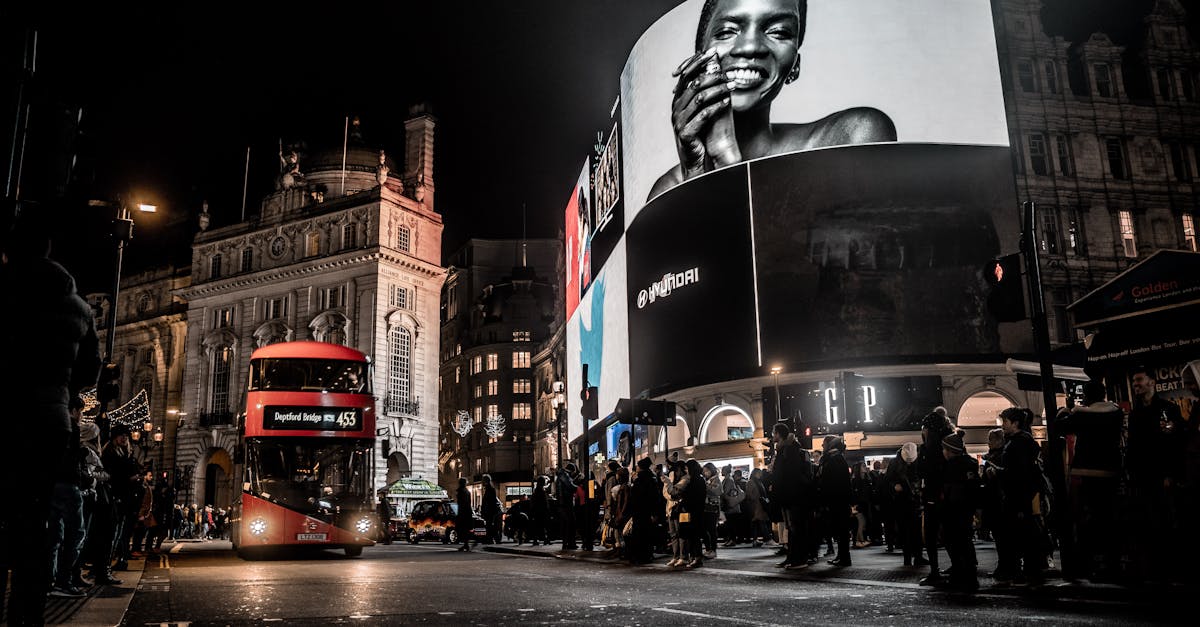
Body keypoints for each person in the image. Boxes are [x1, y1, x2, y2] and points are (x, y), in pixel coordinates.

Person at [650, 0, 896, 200]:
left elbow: (855, 256)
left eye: (778, 32)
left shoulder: (850, 137)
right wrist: (698, 173)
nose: (750, 46)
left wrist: (726, 164)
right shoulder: (669, 187)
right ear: (698, 59)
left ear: (795, 66)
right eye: (727, 32)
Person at [0, 209, 102, 623]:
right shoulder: (77, 306)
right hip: (50, 420)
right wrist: (67, 393)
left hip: (5, 411)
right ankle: (29, 614)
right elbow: (90, 369)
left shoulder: (6, 286)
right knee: (36, 520)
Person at [1052, 380, 1122, 581]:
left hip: (1088, 471)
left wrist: (1066, 410)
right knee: (1109, 517)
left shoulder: (1083, 415)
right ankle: (1112, 562)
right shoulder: (1115, 413)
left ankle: (1092, 563)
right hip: (1111, 469)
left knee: (1089, 519)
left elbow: (1059, 427)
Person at [1126, 365, 1185, 581]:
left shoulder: (1168, 409)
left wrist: (1171, 474)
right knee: (1147, 521)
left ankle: (1171, 565)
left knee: (1166, 520)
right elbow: (1133, 445)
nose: (1136, 385)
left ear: (1152, 382)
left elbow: (1176, 444)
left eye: (1139, 380)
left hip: (1162, 474)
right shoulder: (1135, 414)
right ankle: (1153, 568)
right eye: (1134, 381)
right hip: (1142, 475)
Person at [991, 407, 1046, 587]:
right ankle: (1030, 570)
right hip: (1022, 495)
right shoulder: (1022, 440)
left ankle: (1027, 571)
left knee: (1021, 535)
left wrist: (997, 471)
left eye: (1005, 421)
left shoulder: (1018, 443)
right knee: (1025, 534)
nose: (1003, 425)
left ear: (1015, 423)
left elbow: (1018, 473)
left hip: (1018, 496)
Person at [917, 410, 954, 585]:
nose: (922, 432)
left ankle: (935, 571)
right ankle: (956, 566)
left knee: (932, 535)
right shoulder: (945, 443)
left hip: (935, 495)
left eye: (923, 428)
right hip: (944, 495)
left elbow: (923, 471)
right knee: (947, 534)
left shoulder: (930, 449)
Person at [940, 432, 980, 591]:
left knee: (954, 542)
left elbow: (948, 489)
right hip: (966, 508)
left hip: (953, 508)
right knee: (965, 541)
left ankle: (959, 574)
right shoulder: (970, 464)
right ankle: (970, 573)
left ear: (950, 450)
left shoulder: (950, 466)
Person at [887, 442, 924, 567]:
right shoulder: (894, 464)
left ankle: (918, 556)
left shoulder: (918, 462)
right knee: (905, 531)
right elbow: (887, 482)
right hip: (901, 502)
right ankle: (907, 558)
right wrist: (894, 486)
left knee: (917, 531)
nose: (909, 463)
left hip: (915, 501)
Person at [817, 435, 852, 566]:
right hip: (839, 500)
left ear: (830, 445)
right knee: (840, 531)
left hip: (837, 501)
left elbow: (832, 482)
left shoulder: (835, 459)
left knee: (841, 531)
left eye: (823, 443)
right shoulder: (836, 458)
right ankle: (842, 556)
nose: (822, 446)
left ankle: (844, 557)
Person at [556, 464, 578, 550]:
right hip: (566, 504)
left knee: (566, 525)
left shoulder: (560, 475)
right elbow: (571, 486)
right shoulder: (564, 475)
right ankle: (570, 544)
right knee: (570, 524)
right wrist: (579, 486)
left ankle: (566, 543)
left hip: (562, 504)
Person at [480, 475, 502, 544]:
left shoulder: (490, 490)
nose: (482, 482)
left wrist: (486, 511)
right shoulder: (488, 489)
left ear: (486, 481)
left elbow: (491, 502)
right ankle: (492, 539)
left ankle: (493, 539)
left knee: (490, 526)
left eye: (483, 480)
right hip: (489, 512)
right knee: (490, 526)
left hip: (490, 512)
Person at [529, 475, 549, 546]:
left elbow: (532, 502)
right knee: (543, 525)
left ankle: (536, 539)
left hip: (536, 511)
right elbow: (544, 502)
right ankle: (545, 539)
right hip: (541, 511)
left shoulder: (536, 491)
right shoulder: (541, 491)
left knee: (537, 526)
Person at [455, 477, 474, 552]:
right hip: (467, 512)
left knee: (462, 528)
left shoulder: (462, 492)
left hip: (463, 512)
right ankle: (466, 544)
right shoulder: (467, 491)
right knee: (465, 529)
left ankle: (466, 544)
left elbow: (462, 503)